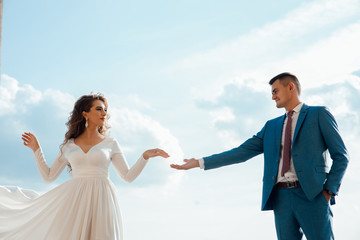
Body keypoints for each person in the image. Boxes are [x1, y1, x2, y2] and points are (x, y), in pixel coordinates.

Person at [171, 72, 349, 240]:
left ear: (291, 87)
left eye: (275, 91)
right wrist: (200, 162)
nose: (273, 97)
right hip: (281, 198)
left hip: (313, 195)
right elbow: (240, 153)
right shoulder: (271, 126)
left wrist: (328, 191)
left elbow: (341, 156)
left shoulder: (318, 114)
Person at [0, 93, 169, 240]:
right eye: (99, 109)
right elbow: (48, 176)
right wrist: (37, 149)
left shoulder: (111, 143)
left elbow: (127, 176)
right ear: (85, 114)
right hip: (75, 200)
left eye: (105, 110)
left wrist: (145, 156)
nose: (104, 113)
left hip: (103, 198)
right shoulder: (69, 145)